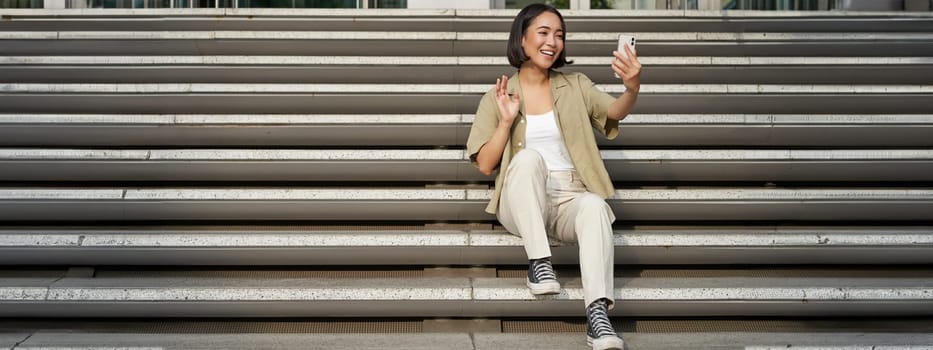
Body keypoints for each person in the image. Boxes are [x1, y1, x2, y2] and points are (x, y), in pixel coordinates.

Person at [465, 3, 641, 350]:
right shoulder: (497, 95)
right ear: (522, 38)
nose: (553, 42)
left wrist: (632, 88)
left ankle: (598, 317)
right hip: (522, 200)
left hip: (570, 199)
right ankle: (539, 263)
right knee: (529, 158)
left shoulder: (576, 85)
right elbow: (485, 164)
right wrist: (504, 122)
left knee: (593, 207)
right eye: (544, 32)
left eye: (559, 35)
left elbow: (612, 111)